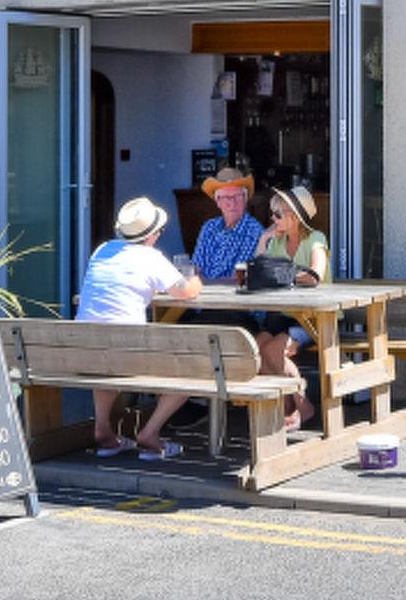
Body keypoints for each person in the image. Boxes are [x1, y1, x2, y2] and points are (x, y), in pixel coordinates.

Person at [75, 197, 203, 460]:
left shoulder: (102, 250)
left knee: (106, 356)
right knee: (195, 369)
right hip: (128, 352)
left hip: (85, 350)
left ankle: (103, 429)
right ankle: (150, 432)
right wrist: (196, 279)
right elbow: (187, 292)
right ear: (153, 235)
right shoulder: (150, 257)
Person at [252, 184, 329, 429]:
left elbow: (316, 274)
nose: (272, 219)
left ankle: (303, 405)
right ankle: (286, 405)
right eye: (272, 213)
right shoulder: (276, 242)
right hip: (283, 314)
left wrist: (285, 274)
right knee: (256, 347)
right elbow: (258, 270)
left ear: (294, 216)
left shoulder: (315, 239)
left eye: (277, 214)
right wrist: (264, 239)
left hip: (313, 317)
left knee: (274, 349)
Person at [189, 166, 264, 284]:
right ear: (218, 202)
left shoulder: (254, 232)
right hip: (202, 294)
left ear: (245, 199)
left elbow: (240, 279)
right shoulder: (209, 227)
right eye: (227, 198)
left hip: (232, 298)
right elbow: (196, 268)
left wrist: (205, 283)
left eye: (237, 197)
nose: (232, 203)